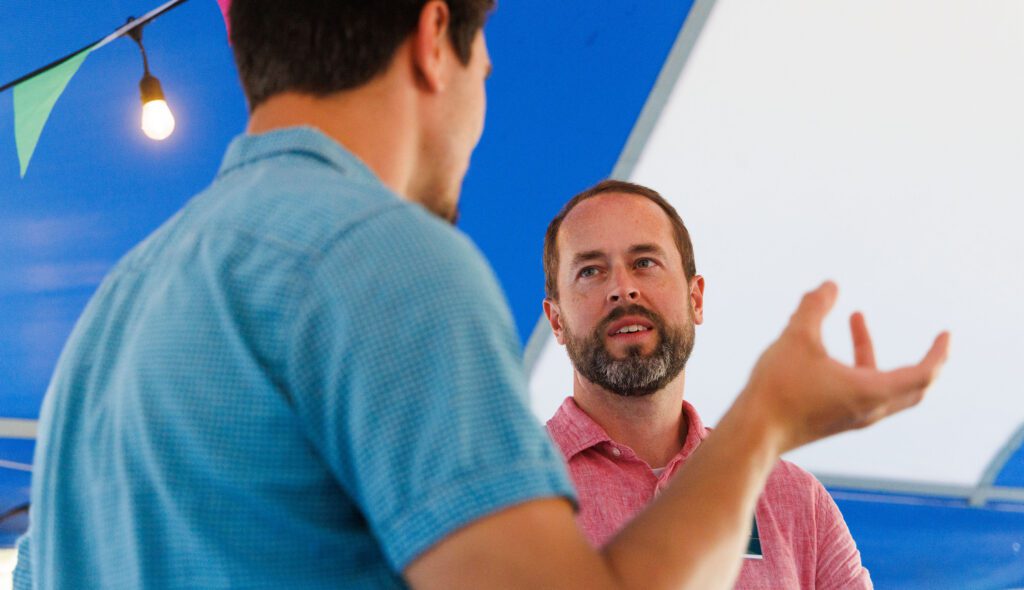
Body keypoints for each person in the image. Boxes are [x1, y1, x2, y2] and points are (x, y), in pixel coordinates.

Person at [14, 1, 950, 588]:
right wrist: (769, 414)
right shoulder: (379, 254)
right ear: (434, 40)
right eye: (487, 69)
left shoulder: (118, 308)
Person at [541, 179, 876, 588]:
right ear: (556, 320)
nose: (622, 289)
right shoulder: (500, 495)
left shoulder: (796, 500)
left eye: (644, 262)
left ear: (695, 299)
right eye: (591, 271)